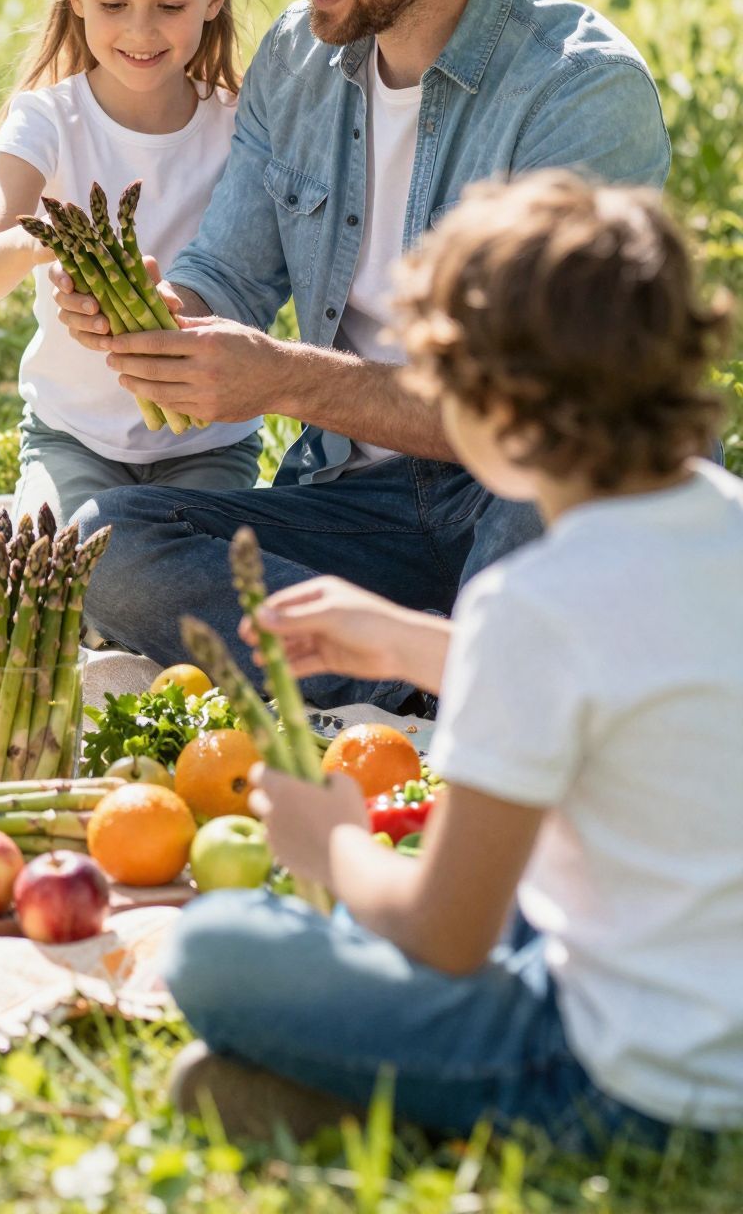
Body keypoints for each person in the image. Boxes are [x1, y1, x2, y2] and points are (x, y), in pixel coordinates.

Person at [63, 0, 670, 707]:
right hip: (358, 501)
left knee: (573, 478)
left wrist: (283, 378)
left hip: (526, 489)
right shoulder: (297, 59)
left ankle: (464, 669)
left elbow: (544, 415)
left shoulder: (579, 91)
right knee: (100, 542)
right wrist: (152, 314)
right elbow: (229, 274)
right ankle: (439, 687)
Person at [163, 172, 742, 1150]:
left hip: (619, 1072)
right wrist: (406, 641)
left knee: (213, 949)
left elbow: (445, 933)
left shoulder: (536, 603)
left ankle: (414, 1100)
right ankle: (360, 1086)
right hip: (708, 994)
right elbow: (624, 683)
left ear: (500, 412)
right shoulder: (721, 520)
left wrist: (334, 846)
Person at [0, 0, 263, 530]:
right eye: (113, 5)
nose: (140, 31)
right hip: (74, 438)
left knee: (190, 572)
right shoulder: (49, 121)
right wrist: (44, 242)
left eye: (170, 6)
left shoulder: (241, 126)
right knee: (68, 569)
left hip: (208, 442)